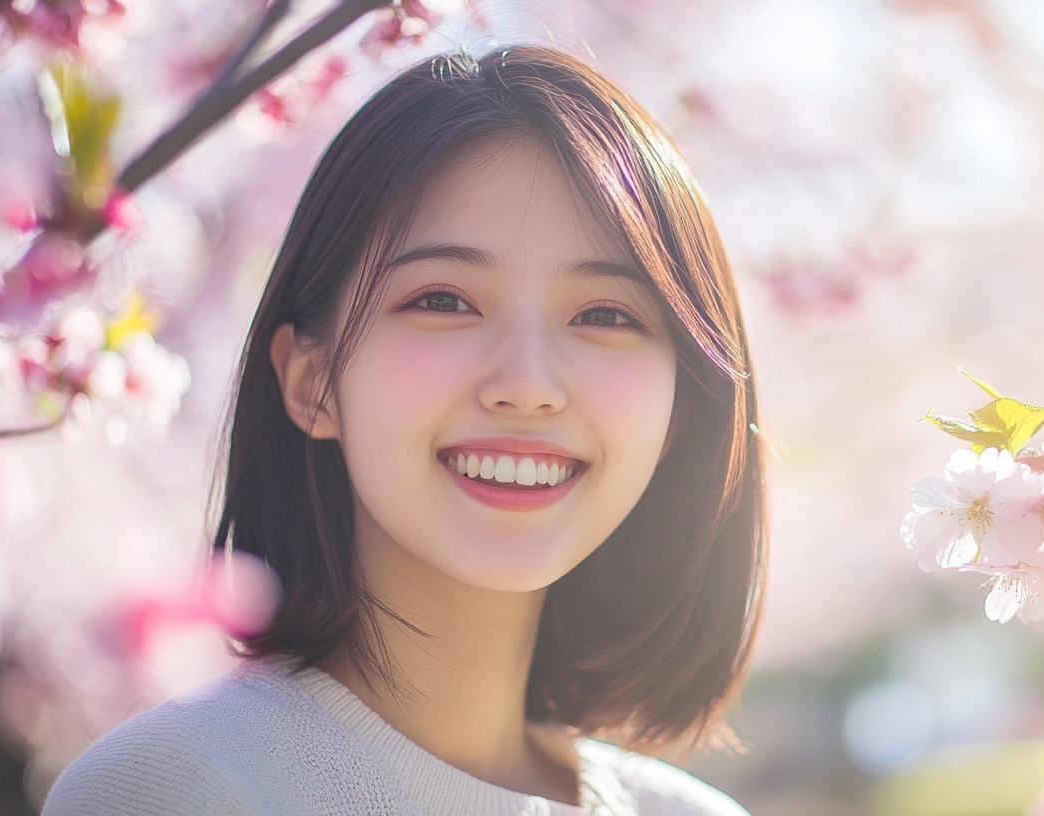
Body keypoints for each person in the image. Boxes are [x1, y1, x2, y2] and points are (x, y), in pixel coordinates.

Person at [42, 45, 766, 815]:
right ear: (310, 380)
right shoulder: (171, 789)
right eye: (444, 301)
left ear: (681, 404)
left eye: (605, 315)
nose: (526, 385)